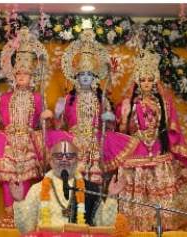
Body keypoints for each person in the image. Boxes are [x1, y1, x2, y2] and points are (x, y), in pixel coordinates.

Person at [114, 50, 187, 231]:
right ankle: (137, 226)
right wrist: (123, 116)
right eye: (143, 80)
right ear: (137, 82)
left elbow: (170, 125)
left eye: (150, 80)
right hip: (135, 150)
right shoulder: (128, 104)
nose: (147, 84)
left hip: (157, 148)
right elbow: (122, 131)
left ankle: (161, 226)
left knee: (160, 188)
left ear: (155, 81)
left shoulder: (163, 103)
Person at [0, 27, 49, 214]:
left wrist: (46, 117)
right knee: (8, 178)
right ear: (14, 76)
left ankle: (25, 215)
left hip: (28, 141)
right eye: (18, 74)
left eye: (25, 74)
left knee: (26, 179)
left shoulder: (37, 97)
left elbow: (46, 125)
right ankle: (10, 216)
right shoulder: (5, 97)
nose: (22, 78)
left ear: (31, 76)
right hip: (8, 141)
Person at [54, 30, 133, 184]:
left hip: (96, 143)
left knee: (94, 184)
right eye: (82, 73)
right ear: (76, 76)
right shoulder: (68, 98)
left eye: (89, 74)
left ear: (94, 77)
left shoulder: (101, 98)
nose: (85, 77)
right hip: (74, 143)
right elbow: (60, 126)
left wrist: (109, 119)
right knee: (72, 183)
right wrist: (57, 114)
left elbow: (110, 126)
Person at [14, 137, 124, 234]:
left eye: (70, 156)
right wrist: (19, 201)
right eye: (59, 156)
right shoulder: (37, 189)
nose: (64, 159)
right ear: (51, 161)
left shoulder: (89, 189)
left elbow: (105, 225)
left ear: (77, 161)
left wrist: (112, 196)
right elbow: (25, 229)